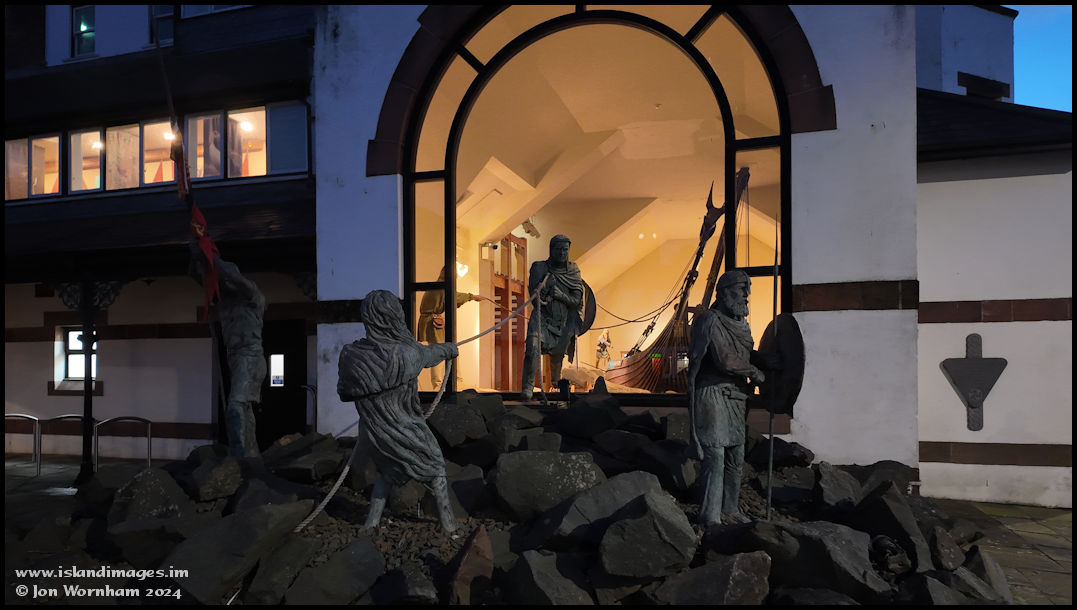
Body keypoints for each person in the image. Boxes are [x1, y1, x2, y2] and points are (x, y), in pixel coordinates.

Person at [337, 290, 459, 532]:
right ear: (395, 316)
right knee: (435, 468)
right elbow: (429, 355)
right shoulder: (405, 353)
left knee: (387, 472)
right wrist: (449, 349)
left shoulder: (350, 355)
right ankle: (449, 525)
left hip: (375, 432)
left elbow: (344, 392)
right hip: (406, 428)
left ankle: (371, 523)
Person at [687, 269, 776, 527]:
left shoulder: (742, 325)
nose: (746, 295)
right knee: (715, 456)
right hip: (712, 394)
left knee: (736, 456)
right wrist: (755, 372)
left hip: (736, 396)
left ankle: (730, 507)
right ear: (725, 293)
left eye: (748, 290)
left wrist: (766, 360)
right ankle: (710, 515)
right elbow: (725, 359)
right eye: (741, 289)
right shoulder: (709, 321)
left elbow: (745, 354)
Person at [189, 241, 266, 458]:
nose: (223, 281)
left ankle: (239, 456)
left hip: (250, 357)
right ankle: (251, 452)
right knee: (244, 407)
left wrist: (210, 258)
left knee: (235, 406)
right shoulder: (224, 301)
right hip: (235, 357)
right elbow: (198, 275)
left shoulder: (252, 296)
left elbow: (230, 275)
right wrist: (196, 252)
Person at [520, 234, 585, 401]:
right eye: (558, 249)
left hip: (562, 321)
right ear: (551, 249)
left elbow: (576, 301)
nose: (562, 253)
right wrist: (545, 287)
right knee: (532, 348)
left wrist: (559, 294)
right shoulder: (539, 268)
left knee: (557, 356)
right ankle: (527, 386)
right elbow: (534, 298)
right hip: (541, 318)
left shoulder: (573, 270)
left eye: (565, 250)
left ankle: (556, 385)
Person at [416, 267, 479, 390]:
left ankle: (455, 380)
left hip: (429, 321)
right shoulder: (442, 287)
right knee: (439, 351)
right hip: (433, 322)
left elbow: (449, 300)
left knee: (448, 348)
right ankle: (439, 384)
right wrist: (472, 297)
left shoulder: (435, 287)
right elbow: (454, 296)